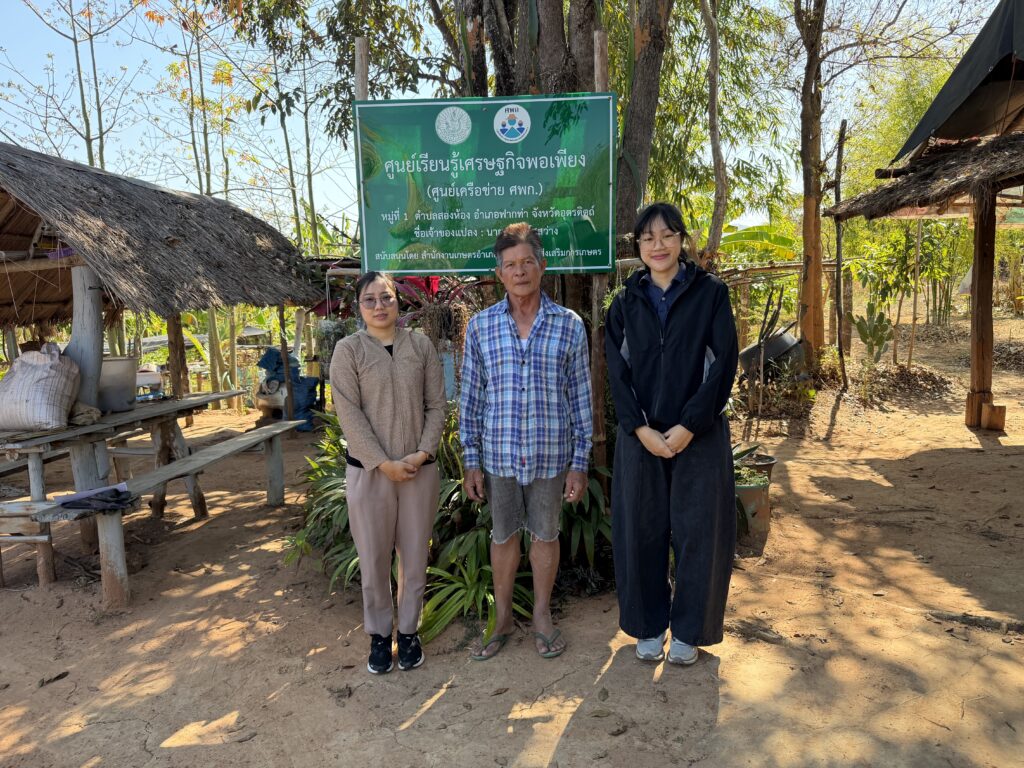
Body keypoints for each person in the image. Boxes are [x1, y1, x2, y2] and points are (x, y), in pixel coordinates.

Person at [604, 202, 739, 665]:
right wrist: (639, 427)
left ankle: (689, 630)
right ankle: (647, 626)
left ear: (682, 240)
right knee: (640, 531)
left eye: (666, 235)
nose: (657, 245)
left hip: (699, 436)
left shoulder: (711, 294)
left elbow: (723, 364)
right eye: (647, 238)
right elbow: (617, 372)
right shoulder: (625, 303)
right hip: (640, 437)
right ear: (638, 246)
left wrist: (689, 425)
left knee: (700, 532)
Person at [460, 222, 592, 660]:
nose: (520, 271)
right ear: (499, 273)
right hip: (498, 455)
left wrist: (580, 462)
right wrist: (471, 459)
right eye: (511, 264)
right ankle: (501, 619)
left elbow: (580, 397)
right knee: (502, 537)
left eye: (527, 262)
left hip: (550, 455)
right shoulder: (481, 327)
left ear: (542, 266)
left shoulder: (569, 325)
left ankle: (541, 615)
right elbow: (472, 397)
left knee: (546, 535)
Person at [330, 271, 447, 674]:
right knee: (374, 560)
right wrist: (382, 463)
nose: (379, 306)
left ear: (399, 301)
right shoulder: (349, 351)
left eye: (386, 297)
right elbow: (348, 414)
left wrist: (422, 453)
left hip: (418, 472)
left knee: (414, 558)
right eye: (370, 300)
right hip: (369, 474)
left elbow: (436, 404)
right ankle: (380, 636)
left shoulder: (421, 346)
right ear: (358, 307)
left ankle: (409, 632)